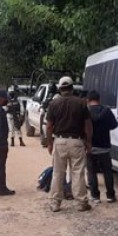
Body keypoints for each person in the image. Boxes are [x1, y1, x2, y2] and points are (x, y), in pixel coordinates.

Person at [45, 76, 92, 212]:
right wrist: (88, 142)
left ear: (60, 89)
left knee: (58, 173)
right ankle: (81, 203)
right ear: (72, 88)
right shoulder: (81, 103)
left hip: (59, 141)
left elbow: (49, 126)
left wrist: (49, 143)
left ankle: (55, 203)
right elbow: (88, 125)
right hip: (77, 142)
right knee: (77, 173)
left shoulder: (53, 104)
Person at [86, 90, 118, 204]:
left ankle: (95, 196)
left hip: (89, 147)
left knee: (91, 172)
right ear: (99, 99)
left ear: (88, 100)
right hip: (104, 147)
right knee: (107, 171)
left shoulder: (86, 111)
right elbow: (114, 125)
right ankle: (110, 196)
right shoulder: (106, 111)